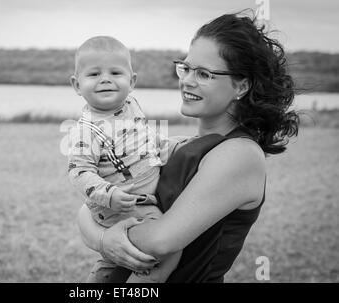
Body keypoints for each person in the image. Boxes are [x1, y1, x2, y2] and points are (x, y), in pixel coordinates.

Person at [77, 12, 300, 282]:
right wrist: (101, 234)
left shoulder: (239, 154)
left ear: (241, 85)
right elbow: (91, 205)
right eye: (186, 67)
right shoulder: (188, 146)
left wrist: (101, 236)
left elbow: (160, 242)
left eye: (204, 74)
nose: (187, 81)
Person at [67, 36, 182, 282]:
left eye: (115, 72)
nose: (105, 79)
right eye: (94, 74)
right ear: (77, 85)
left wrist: (166, 146)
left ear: (132, 82)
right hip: (120, 204)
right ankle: (147, 282)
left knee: (115, 259)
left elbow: (144, 136)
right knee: (170, 245)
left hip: (142, 197)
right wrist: (109, 194)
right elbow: (79, 172)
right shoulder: (86, 131)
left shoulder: (131, 105)